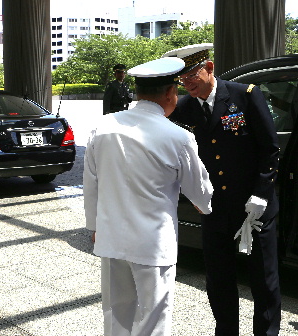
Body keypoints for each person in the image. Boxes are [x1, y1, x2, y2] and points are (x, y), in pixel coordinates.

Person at [83, 57, 214, 336]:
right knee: (153, 314)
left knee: (116, 309)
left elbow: (91, 183)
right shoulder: (178, 137)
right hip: (153, 242)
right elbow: (200, 191)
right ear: (169, 93)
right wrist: (206, 206)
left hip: (111, 237)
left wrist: (94, 227)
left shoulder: (102, 126)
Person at [163, 43, 281, 336]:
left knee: (263, 279)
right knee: (218, 279)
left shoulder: (245, 96)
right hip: (215, 209)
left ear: (210, 68)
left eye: (192, 74)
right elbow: (155, 108)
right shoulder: (187, 106)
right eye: (182, 79)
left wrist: (261, 194)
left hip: (253, 207)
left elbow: (270, 150)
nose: (188, 83)